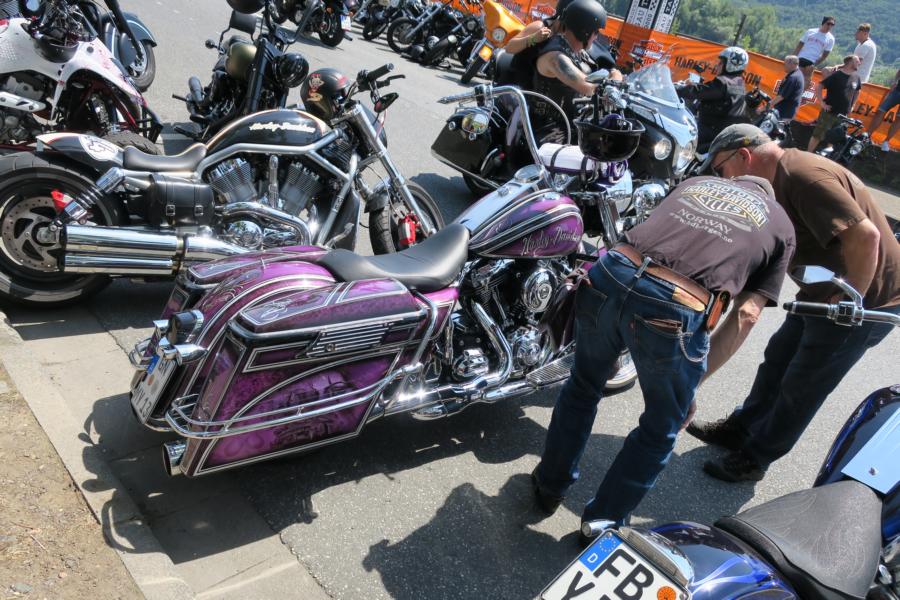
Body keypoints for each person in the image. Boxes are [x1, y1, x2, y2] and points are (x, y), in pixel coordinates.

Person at [531, 133, 796, 530]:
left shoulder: (695, 183)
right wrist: (692, 384)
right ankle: (601, 523)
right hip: (676, 305)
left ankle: (548, 486)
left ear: (737, 172)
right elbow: (746, 315)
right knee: (660, 426)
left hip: (612, 271)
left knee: (583, 386)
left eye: (721, 168)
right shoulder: (782, 226)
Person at [688, 124, 900, 483]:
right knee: (777, 360)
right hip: (824, 291)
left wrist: (852, 296)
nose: (724, 180)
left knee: (803, 383)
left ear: (744, 156)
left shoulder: (802, 176)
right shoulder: (784, 176)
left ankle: (756, 457)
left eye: (721, 169)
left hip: (865, 301)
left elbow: (866, 236)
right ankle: (743, 429)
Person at [678, 46, 750, 151]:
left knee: (679, 134)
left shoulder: (723, 82)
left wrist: (678, 88)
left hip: (711, 129)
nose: (717, 65)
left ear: (730, 65)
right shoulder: (739, 83)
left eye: (720, 63)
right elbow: (711, 91)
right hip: (725, 130)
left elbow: (699, 92)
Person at [807, 54, 861, 153]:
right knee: (818, 135)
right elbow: (819, 86)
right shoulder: (837, 75)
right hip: (829, 112)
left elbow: (857, 91)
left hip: (843, 116)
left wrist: (852, 105)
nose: (859, 63)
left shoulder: (857, 77)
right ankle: (807, 154)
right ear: (850, 62)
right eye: (857, 61)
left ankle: (826, 156)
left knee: (834, 138)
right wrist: (822, 103)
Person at [795, 16, 836, 87]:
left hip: (812, 61)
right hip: (801, 57)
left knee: (807, 80)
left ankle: (800, 93)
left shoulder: (831, 38)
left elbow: (824, 55)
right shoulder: (810, 31)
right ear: (823, 23)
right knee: (794, 77)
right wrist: (793, 57)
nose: (829, 26)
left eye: (832, 25)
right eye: (828, 23)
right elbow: (799, 45)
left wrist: (814, 64)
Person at [867, 68, 900, 152]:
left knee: (899, 119)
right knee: (880, 111)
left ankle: (886, 141)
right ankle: (867, 135)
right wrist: (895, 82)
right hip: (896, 91)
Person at [763, 55, 804, 121]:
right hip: (786, 112)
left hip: (784, 114)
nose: (784, 65)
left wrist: (763, 108)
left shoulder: (793, 77)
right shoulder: (797, 74)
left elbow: (781, 97)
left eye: (785, 64)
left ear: (791, 64)